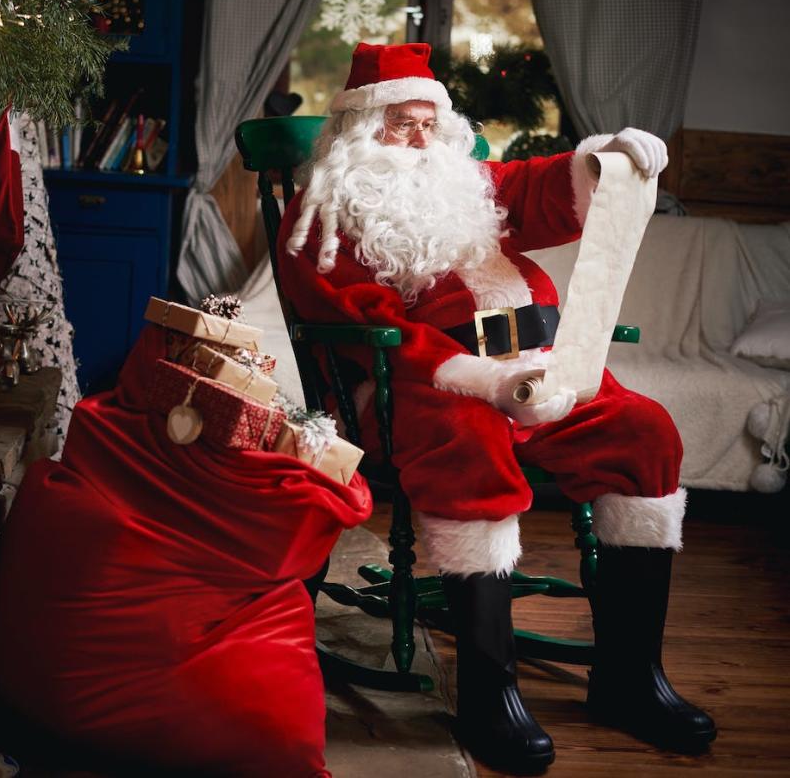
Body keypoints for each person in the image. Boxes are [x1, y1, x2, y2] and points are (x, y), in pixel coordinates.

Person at [276, 42, 716, 773]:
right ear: (358, 130)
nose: (419, 139)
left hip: (541, 368)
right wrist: (476, 377)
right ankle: (490, 692)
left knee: (645, 431)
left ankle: (630, 677)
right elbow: (353, 316)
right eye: (399, 124)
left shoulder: (470, 183)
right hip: (422, 382)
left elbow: (544, 188)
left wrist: (606, 159)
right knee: (468, 439)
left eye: (427, 122)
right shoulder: (326, 207)